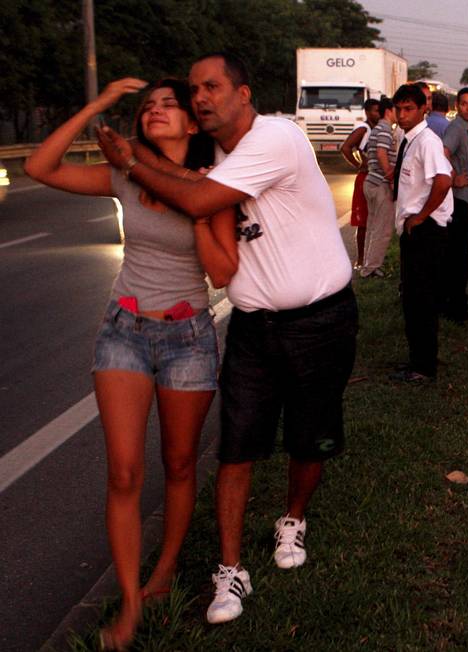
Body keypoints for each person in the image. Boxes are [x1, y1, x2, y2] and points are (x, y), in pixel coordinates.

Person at [96, 52, 358, 626]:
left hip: (319, 318)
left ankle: (293, 516)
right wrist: (131, 146)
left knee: (309, 437)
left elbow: (193, 198)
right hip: (251, 325)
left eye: (212, 87)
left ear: (244, 93)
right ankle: (230, 568)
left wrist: (133, 164)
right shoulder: (208, 153)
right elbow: (168, 162)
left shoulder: (276, 137)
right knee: (236, 446)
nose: (201, 98)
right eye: (193, 91)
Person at [26, 77, 238, 648]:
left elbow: (223, 272)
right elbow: (40, 168)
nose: (156, 112)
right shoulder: (121, 175)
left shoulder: (212, 185)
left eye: (170, 105)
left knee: (178, 463)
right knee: (123, 472)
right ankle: (127, 602)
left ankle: (164, 570)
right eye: (148, 108)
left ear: (192, 124)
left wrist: (192, 204)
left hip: (188, 336)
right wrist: (97, 105)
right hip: (122, 331)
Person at [390, 83, 454, 382]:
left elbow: (444, 181)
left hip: (426, 232)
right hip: (413, 229)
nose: (402, 115)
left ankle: (423, 368)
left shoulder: (426, 141)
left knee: (422, 301)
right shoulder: (409, 139)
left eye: (408, 109)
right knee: (412, 300)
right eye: (399, 109)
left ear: (422, 109)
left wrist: (420, 217)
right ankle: (417, 361)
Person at [440, 87, 468, 323]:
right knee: (458, 257)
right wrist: (454, 178)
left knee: (458, 256)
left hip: (464, 199)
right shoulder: (456, 129)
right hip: (456, 200)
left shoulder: (467, 129)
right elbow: (442, 152)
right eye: (464, 103)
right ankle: (455, 309)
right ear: (457, 106)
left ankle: (454, 304)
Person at [340, 98, 382, 271]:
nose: (377, 114)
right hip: (365, 177)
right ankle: (360, 259)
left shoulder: (376, 129)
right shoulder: (363, 129)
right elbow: (345, 147)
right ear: (367, 112)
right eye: (374, 111)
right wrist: (359, 164)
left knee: (373, 220)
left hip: (375, 178)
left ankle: (369, 258)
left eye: (379, 110)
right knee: (363, 221)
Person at [360, 97, 399, 278]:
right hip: (381, 184)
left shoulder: (375, 130)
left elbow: (367, 151)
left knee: (372, 226)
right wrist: (390, 175)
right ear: (389, 111)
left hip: (371, 181)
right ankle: (371, 268)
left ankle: (367, 265)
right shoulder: (384, 130)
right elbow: (382, 152)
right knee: (382, 230)